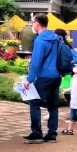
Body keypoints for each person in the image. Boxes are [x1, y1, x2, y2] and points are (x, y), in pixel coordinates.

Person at [23, 13, 64, 144]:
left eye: (33, 22)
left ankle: (37, 133)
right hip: (57, 75)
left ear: (37, 24)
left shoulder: (40, 40)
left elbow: (36, 62)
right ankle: (52, 134)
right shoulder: (56, 38)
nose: (32, 25)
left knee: (34, 102)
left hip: (44, 76)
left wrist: (29, 79)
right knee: (53, 106)